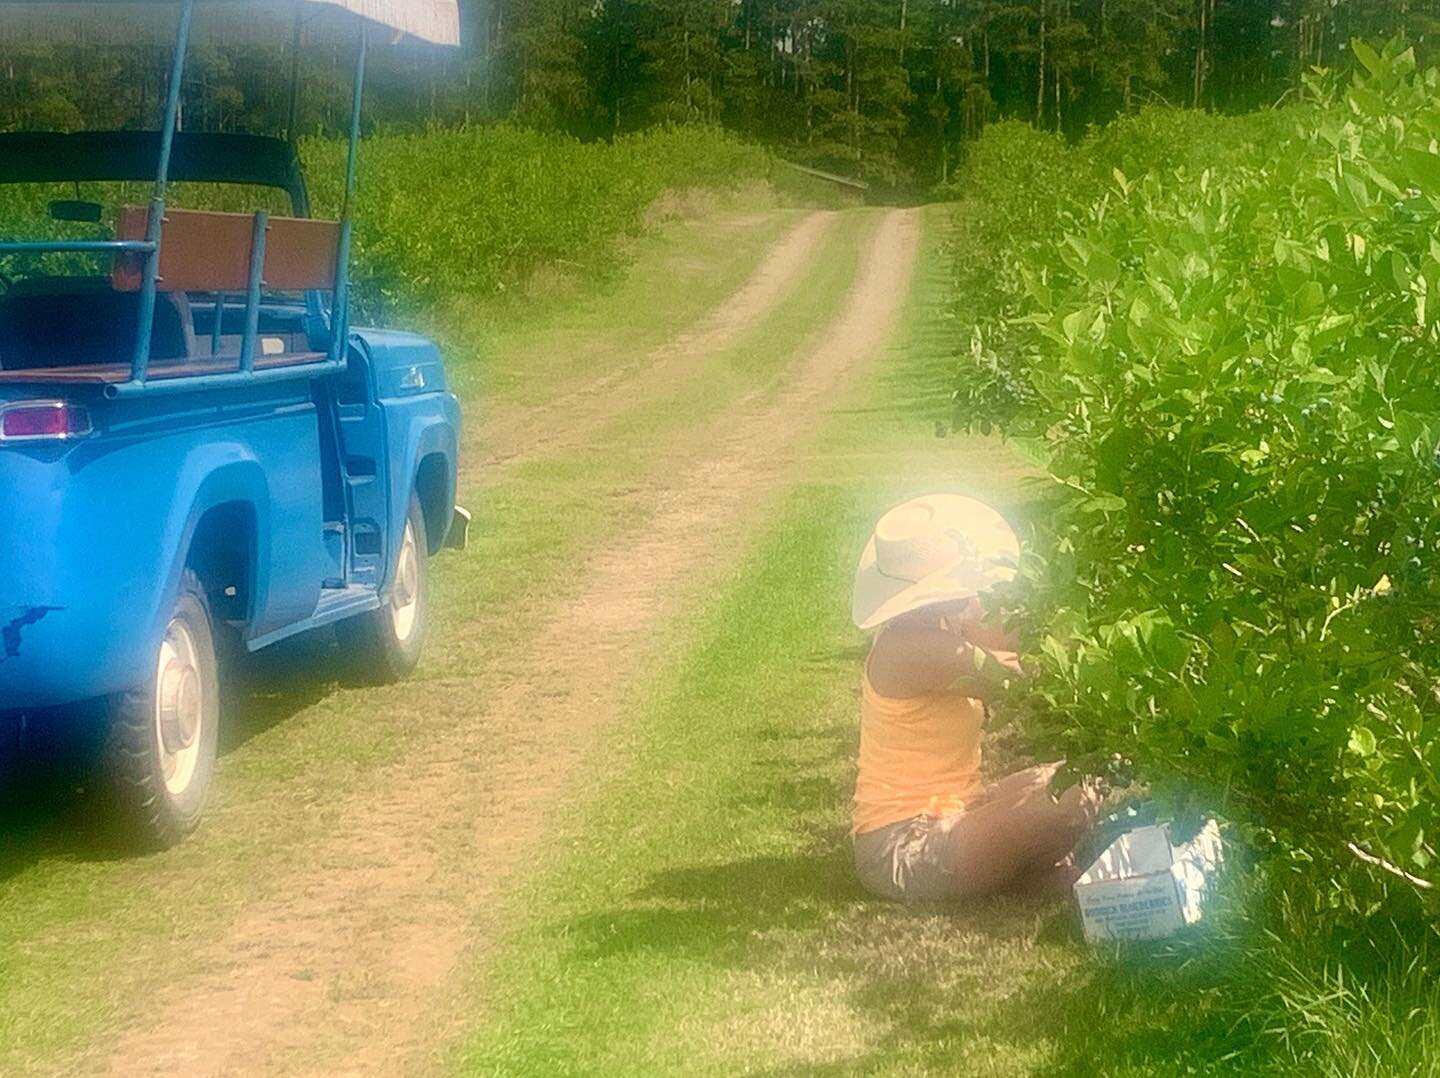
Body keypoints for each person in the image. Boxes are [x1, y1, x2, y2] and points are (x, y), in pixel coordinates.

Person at [850, 493, 1099, 901]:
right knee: (1072, 797)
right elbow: (1019, 680)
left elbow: (1019, 636)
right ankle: (1019, 873)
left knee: (1070, 780)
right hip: (903, 846)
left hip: (957, 810)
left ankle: (1015, 870)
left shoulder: (942, 619)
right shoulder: (912, 646)